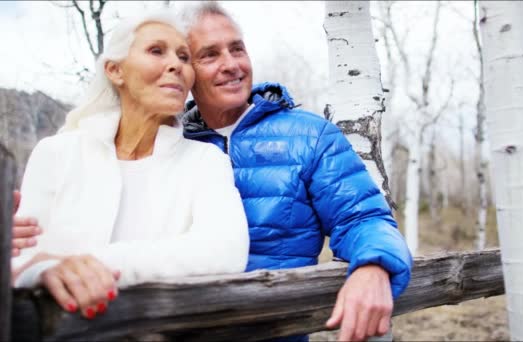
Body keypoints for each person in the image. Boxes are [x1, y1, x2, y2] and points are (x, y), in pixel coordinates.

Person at [13, 2, 413, 341]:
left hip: (272, 331)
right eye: (208, 55)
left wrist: (374, 264)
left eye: (237, 49)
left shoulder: (308, 136)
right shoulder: (163, 142)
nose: (230, 65)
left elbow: (362, 216)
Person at [10, 9, 249, 320]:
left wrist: (87, 264)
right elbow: (22, 260)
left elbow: (225, 251)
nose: (176, 64)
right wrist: (41, 269)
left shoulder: (206, 162)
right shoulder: (55, 154)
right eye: (156, 51)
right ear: (115, 71)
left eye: (184, 56)